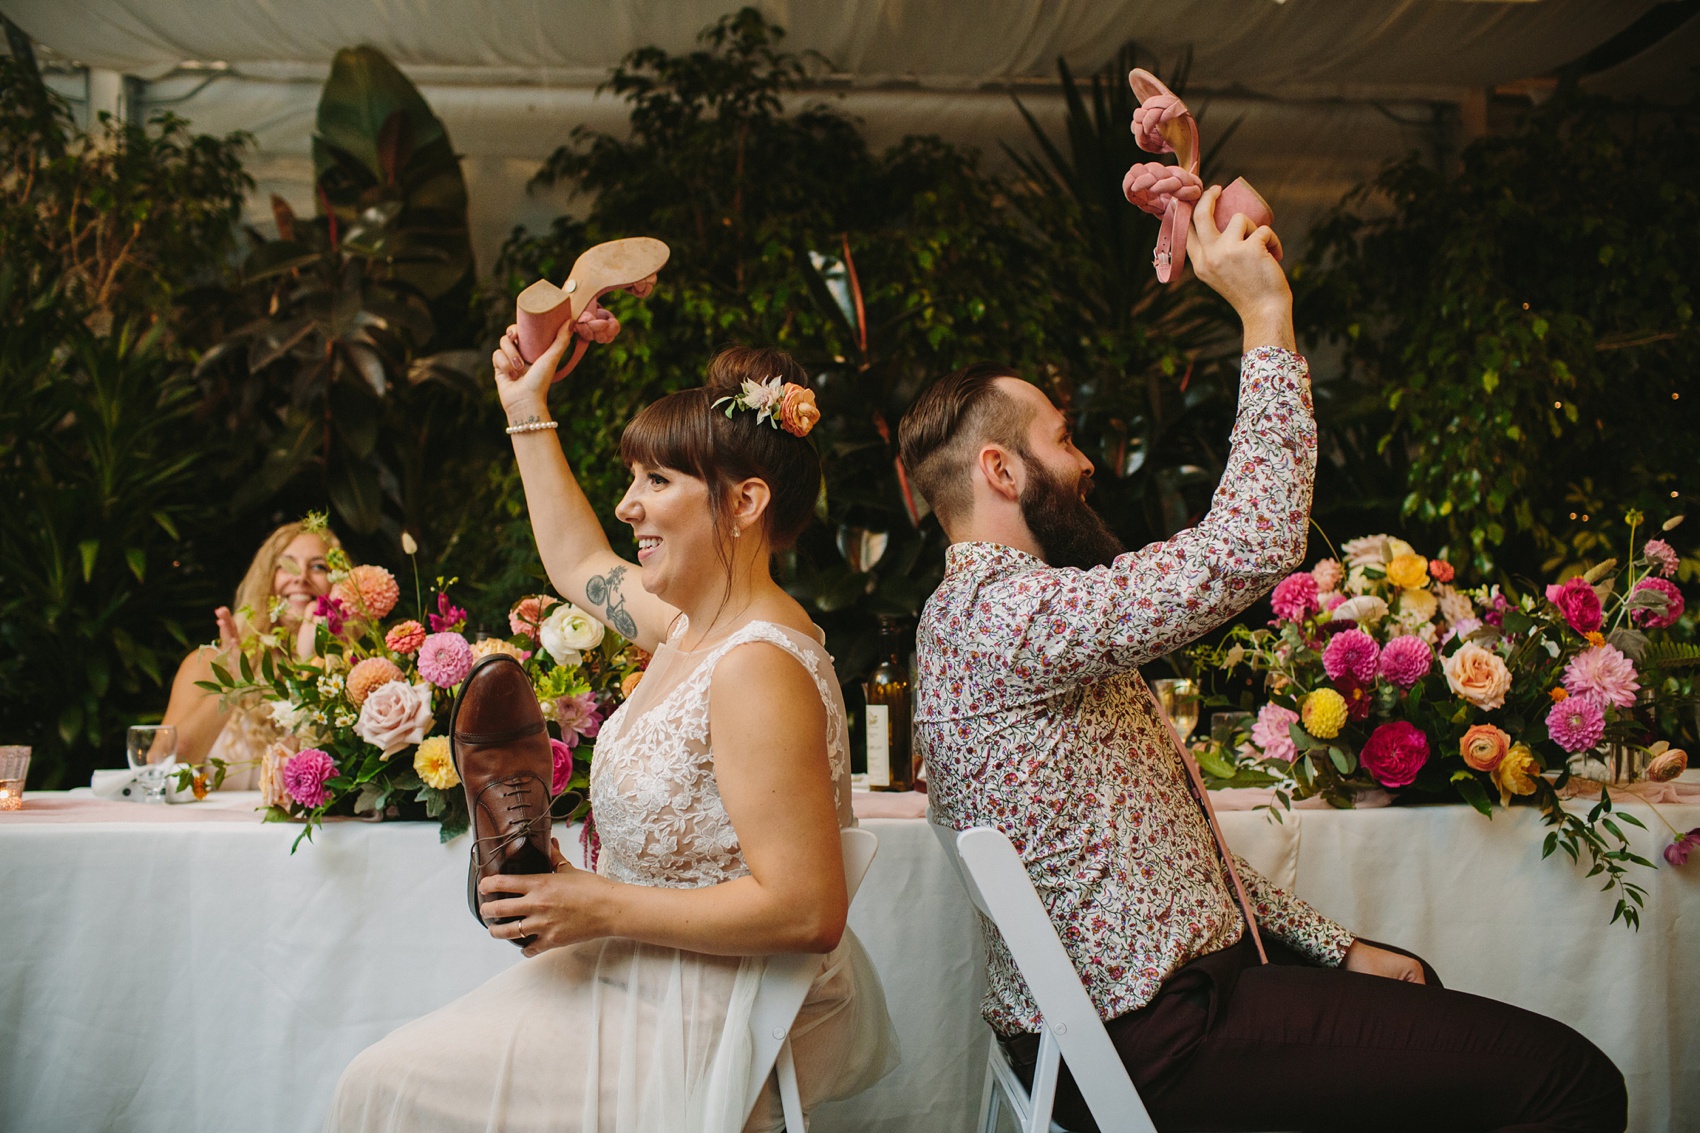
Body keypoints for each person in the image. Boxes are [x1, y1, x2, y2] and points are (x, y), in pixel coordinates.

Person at [898, 186, 1626, 1132]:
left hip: (1168, 1014)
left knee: (1418, 986)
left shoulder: (1008, 619)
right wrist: (1264, 313)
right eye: (1064, 441)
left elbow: (1183, 870)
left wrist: (1335, 945)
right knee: (1572, 1084)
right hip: (1161, 1040)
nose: (1084, 466)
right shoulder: (999, 613)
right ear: (1002, 470)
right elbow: (1245, 545)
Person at [324, 329, 896, 1132]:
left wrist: (597, 904)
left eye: (656, 481)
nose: (628, 505)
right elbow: (574, 555)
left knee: (385, 1085)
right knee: (381, 1077)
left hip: (711, 1000)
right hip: (637, 967)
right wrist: (527, 409)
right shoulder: (687, 627)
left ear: (744, 501)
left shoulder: (755, 665)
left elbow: (807, 909)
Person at [160, 521, 339, 788]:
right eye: (285, 564)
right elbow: (159, 766)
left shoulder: (351, 674)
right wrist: (231, 683)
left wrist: (314, 657)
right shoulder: (208, 663)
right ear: (266, 578)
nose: (300, 577)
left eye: (318, 567)